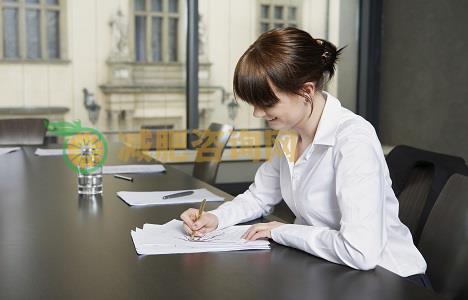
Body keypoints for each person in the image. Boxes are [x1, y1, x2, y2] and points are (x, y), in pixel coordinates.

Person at [180, 27, 428, 286]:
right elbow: (259, 196)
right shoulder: (289, 134)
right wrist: (216, 219)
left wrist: (282, 231)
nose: (256, 114)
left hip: (390, 279)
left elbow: (360, 252)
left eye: (266, 102)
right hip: (333, 271)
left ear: (306, 91)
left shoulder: (354, 140)